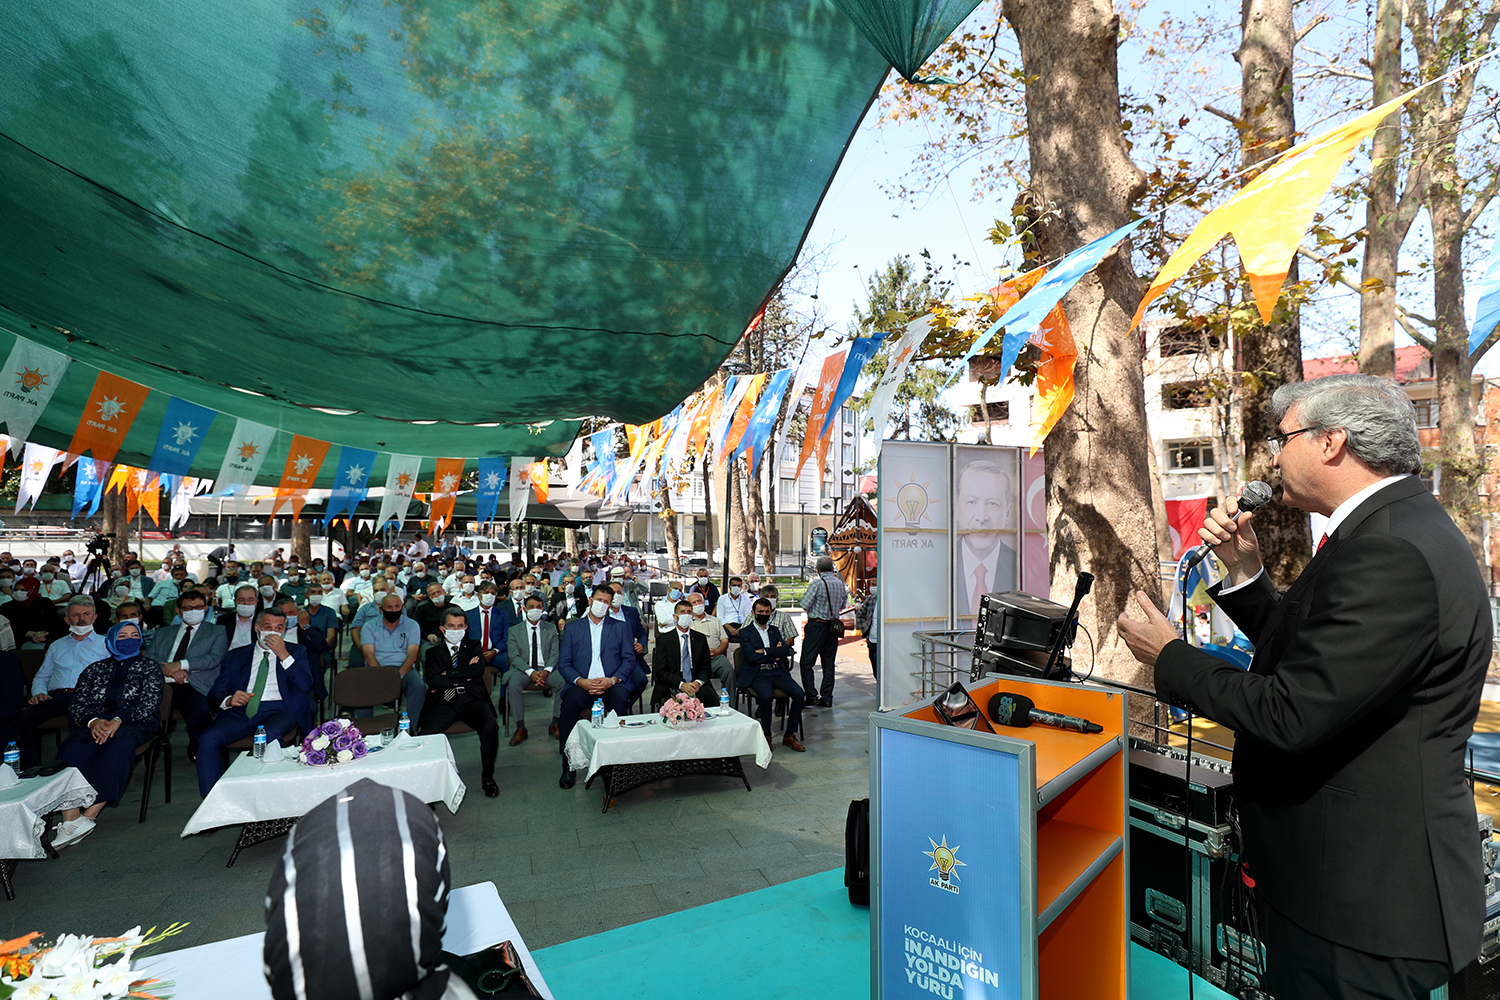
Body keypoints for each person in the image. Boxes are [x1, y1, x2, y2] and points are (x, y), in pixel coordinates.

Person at [1117, 374, 1490, 999]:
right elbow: (1326, 665)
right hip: (1340, 893)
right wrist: (1246, 575)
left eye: (1283, 439)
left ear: (1331, 442)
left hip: (1361, 904)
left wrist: (1171, 658)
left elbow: (1291, 712)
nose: (1273, 457)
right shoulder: (1388, 528)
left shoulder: (1390, 548)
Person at [48, 621, 164, 848]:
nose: (129, 640)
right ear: (111, 640)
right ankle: (70, 818)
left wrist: (117, 721)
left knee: (116, 752)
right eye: (123, 636)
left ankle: (88, 816)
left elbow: (149, 704)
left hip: (134, 722)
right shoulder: (94, 669)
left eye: (134, 635)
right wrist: (94, 721)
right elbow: (77, 704)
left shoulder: (150, 667)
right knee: (71, 752)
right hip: (93, 724)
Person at [198, 608, 313, 796]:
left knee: (270, 734)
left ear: (284, 630)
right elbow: (215, 692)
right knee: (209, 737)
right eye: (267, 627)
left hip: (279, 709)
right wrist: (229, 700)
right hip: (241, 710)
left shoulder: (296, 651)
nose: (273, 632)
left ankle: (268, 795)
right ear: (257, 628)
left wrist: (283, 655)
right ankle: (211, 799)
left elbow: (306, 684)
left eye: (278, 628)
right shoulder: (237, 655)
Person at [556, 585, 635, 789]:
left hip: (611, 684)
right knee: (569, 704)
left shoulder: (620, 627)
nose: (602, 604)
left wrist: (612, 680)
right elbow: (564, 663)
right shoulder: (573, 627)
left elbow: (629, 660)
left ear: (610, 605)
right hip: (583, 684)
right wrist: (581, 681)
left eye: (606, 602)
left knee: (620, 700)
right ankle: (568, 763)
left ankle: (617, 762)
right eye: (599, 600)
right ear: (590, 600)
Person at [16, 596, 110, 767]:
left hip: (88, 699)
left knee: (82, 732)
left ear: (94, 617)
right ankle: (31, 771)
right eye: (75, 615)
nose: (81, 619)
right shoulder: (56, 646)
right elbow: (42, 677)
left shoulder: (106, 645)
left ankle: (75, 768)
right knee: (21, 723)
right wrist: (39, 693)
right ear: (67, 620)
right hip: (55, 697)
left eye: (86, 614)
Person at [416, 606, 499, 798]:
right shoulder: (432, 652)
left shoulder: (474, 646)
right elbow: (434, 680)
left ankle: (488, 777)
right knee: (426, 734)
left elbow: (477, 670)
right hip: (443, 701)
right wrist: (463, 675)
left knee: (490, 727)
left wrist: (447, 673)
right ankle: (430, 784)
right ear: (442, 628)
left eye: (460, 626)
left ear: (466, 627)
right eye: (451, 626)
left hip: (471, 699)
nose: (456, 630)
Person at [147, 588, 227, 759]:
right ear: (179, 611)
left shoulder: (217, 631)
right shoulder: (163, 632)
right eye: (188, 608)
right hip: (162, 684)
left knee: (200, 711)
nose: (193, 611)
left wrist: (180, 665)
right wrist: (167, 670)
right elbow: (150, 657)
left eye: (198, 607)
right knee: (141, 709)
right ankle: (149, 741)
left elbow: (213, 658)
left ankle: (202, 747)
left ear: (206, 608)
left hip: (193, 685)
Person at [737, 598, 804, 751]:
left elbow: (785, 650)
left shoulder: (774, 630)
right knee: (766, 697)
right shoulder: (745, 632)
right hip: (758, 672)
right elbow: (751, 657)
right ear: (753, 613)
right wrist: (774, 654)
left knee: (799, 694)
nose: (764, 614)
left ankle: (789, 734)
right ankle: (766, 735)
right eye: (760, 611)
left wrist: (764, 651)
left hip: (777, 671)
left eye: (767, 612)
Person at [953, 458, 1017, 616]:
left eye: (992, 503)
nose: (981, 517)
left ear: (1007, 513)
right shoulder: (938, 566)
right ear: (956, 508)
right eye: (971, 502)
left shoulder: (1021, 567)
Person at [502, 594, 562, 746]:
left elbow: (555, 654)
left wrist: (546, 671)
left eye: (538, 607)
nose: (535, 610)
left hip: (546, 668)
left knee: (564, 682)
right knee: (514, 685)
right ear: (525, 609)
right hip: (523, 669)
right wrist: (531, 672)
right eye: (531, 607)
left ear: (543, 609)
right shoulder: (514, 630)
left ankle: (555, 723)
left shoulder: (550, 628)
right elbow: (514, 657)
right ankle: (520, 727)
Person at [361, 592, 425, 725]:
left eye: (397, 606)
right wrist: (383, 676)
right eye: (389, 607)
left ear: (402, 607)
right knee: (362, 687)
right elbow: (368, 655)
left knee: (418, 686)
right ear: (381, 610)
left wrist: (398, 676)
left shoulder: (412, 625)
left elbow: (412, 655)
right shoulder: (369, 626)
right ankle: (364, 729)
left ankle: (413, 728)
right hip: (377, 668)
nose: (393, 610)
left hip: (404, 668)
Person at [798, 555, 847, 708]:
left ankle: (811, 695)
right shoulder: (840, 584)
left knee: (806, 663)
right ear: (832, 568)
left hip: (816, 625)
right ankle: (827, 697)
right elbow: (843, 605)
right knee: (828, 663)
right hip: (832, 627)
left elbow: (804, 604)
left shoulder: (817, 584)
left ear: (818, 569)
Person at [652, 599, 715, 710]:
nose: (686, 615)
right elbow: (661, 671)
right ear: (675, 616)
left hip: (695, 680)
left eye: (689, 612)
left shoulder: (700, 638)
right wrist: (681, 684)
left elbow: (706, 667)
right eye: (682, 612)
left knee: (713, 699)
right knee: (678, 707)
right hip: (673, 681)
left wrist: (698, 683)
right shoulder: (664, 640)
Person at [686, 592, 734, 705]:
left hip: (715, 658)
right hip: (696, 661)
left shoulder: (715, 620)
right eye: (694, 603)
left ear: (704, 602)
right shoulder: (687, 622)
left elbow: (724, 641)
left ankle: (729, 705)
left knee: (729, 672)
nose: (697, 604)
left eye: (699, 601)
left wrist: (717, 652)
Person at [219, 584, 263, 650]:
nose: (246, 603)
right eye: (241, 599)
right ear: (235, 602)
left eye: (250, 599)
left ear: (256, 601)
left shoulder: (262, 621)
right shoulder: (224, 620)